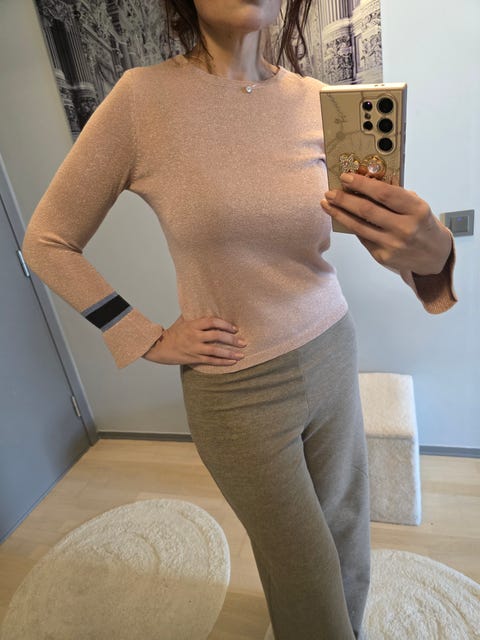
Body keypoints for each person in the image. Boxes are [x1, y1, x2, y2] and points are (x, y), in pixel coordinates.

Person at [22, 1, 457, 638]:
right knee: (303, 568)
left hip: (332, 350)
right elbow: (47, 242)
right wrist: (142, 334)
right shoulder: (142, 100)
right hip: (236, 389)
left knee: (347, 534)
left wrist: (435, 251)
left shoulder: (318, 102)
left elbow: (386, 242)